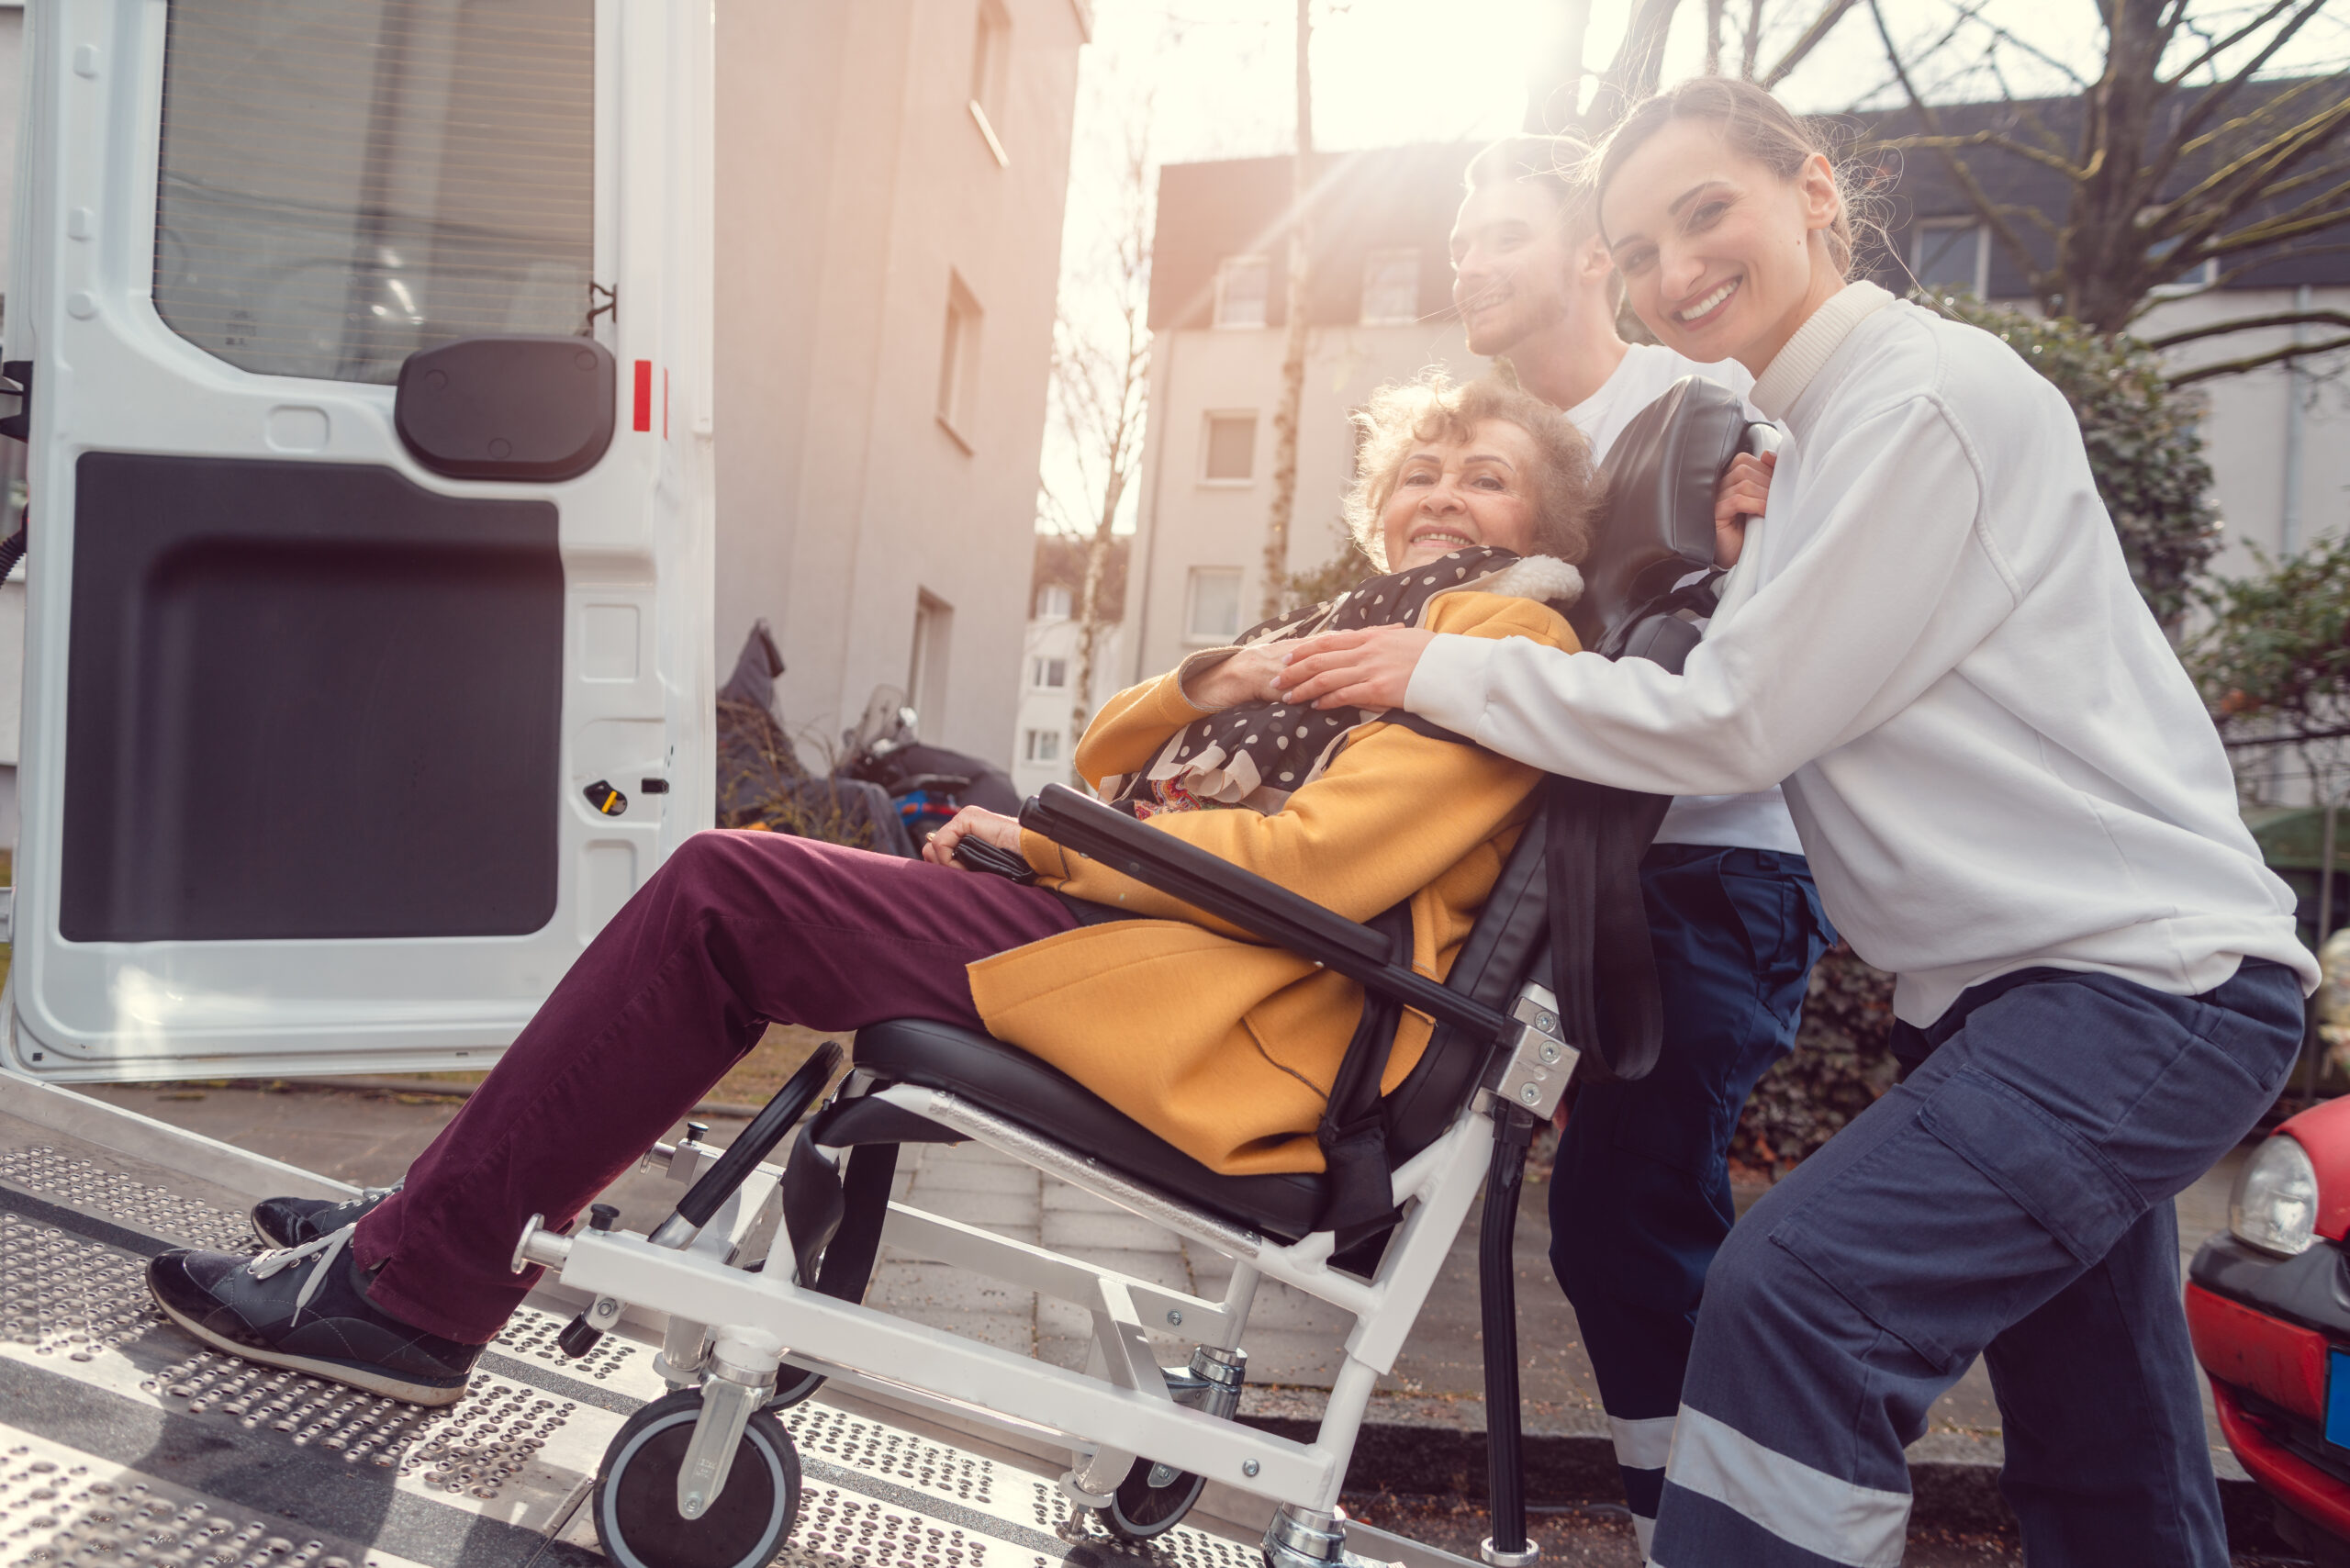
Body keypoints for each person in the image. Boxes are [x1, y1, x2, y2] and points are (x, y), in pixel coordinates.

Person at [1281, 77, 2314, 1568]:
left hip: (2138, 991)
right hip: (2015, 1001)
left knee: (1800, 1299)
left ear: (1815, 192)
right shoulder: (1813, 439)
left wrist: (1438, 667)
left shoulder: (1924, 399)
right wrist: (1750, 551)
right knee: (2105, 1461)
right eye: (1636, 248)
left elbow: (1740, 723)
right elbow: (1764, 677)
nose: (1673, 269)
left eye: (1708, 212)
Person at [140, 375, 1607, 1408]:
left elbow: (1308, 870)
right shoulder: (1349, 628)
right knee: (731, 896)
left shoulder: (1499, 643)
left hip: (1232, 1007)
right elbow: (1110, 751)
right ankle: (426, 1225)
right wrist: (1214, 676)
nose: (1441, 495)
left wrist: (1041, 848)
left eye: (1486, 475)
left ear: (1547, 519)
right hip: (1149, 935)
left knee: (725, 890)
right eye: (1420, 468)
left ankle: (411, 1291)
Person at [1453, 134, 1830, 1558]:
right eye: (1460, 249)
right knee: (1572, 1216)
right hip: (1566, 856)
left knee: (1628, 1216)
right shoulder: (1501, 453)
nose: (1473, 269)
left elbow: (1748, 664)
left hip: (1712, 866)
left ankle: (1723, 1521)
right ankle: (1687, 1509)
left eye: (1503, 238)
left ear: (1589, 262)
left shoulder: (1702, 407)